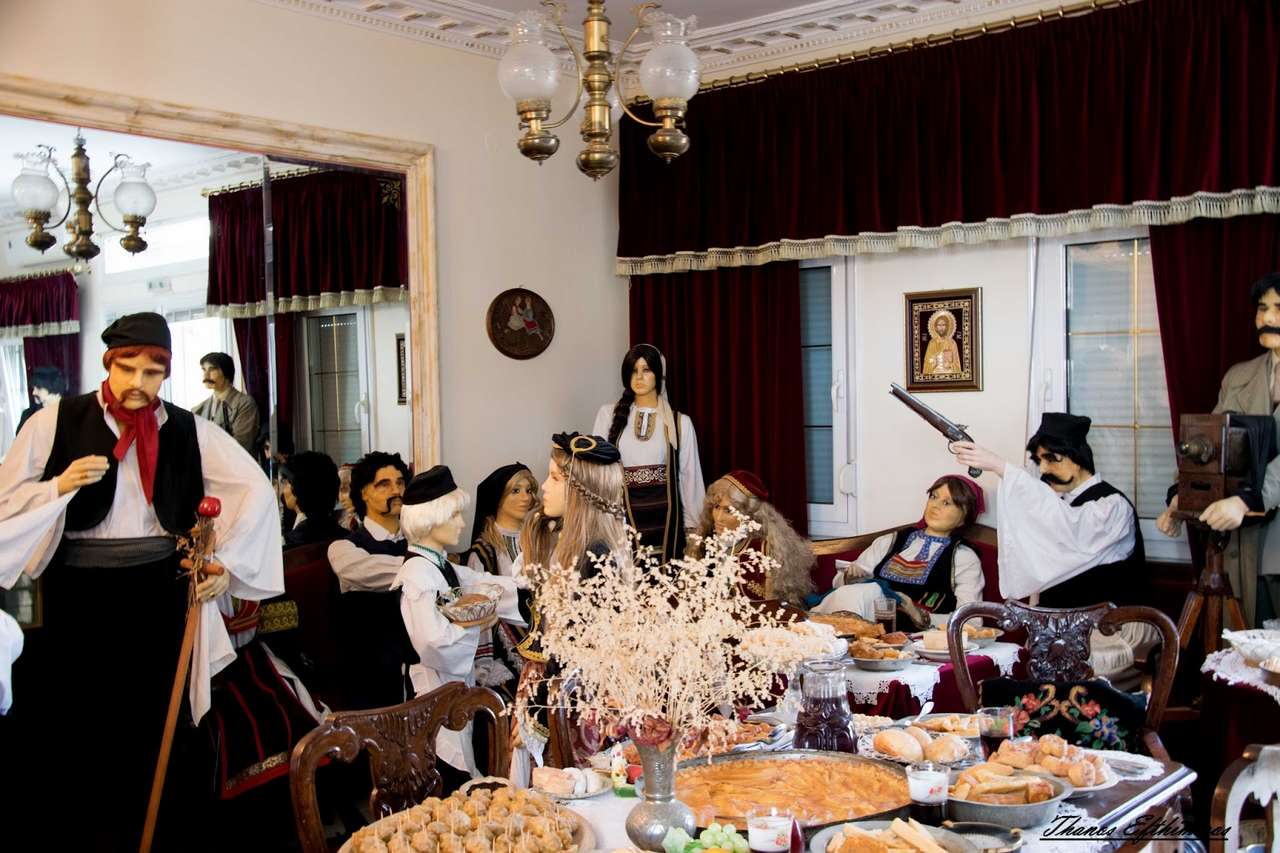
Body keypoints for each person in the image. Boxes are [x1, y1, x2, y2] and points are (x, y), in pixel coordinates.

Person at [0, 311, 281, 849]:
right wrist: (57, 486)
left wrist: (225, 564)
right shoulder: (56, 421)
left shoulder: (189, 429)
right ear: (108, 365)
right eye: (127, 369)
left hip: (159, 592)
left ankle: (161, 834)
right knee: (81, 720)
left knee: (158, 722)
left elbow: (256, 493)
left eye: (151, 372)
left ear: (165, 373)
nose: (137, 383)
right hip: (77, 594)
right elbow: (5, 501)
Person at [1156, 271, 1280, 626]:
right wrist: (1181, 498)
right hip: (1242, 544)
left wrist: (1246, 500)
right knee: (1239, 645)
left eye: (1278, 308)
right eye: (1262, 308)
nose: (1268, 318)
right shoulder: (1239, 377)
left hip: (1265, 529)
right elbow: (1210, 446)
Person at [393, 465, 523, 782]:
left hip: (451, 691)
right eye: (453, 515)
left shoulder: (439, 565)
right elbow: (433, 644)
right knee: (442, 774)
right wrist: (478, 625)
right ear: (429, 518)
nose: (462, 523)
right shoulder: (418, 574)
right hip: (430, 693)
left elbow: (481, 583)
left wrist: (533, 589)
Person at [513, 432, 629, 778]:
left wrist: (535, 715)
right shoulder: (568, 545)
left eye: (555, 478)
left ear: (580, 491)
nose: (543, 487)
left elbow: (573, 655)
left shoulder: (596, 556)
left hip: (570, 705)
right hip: (550, 691)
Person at [953, 413, 1144, 608]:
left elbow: (1071, 528)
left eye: (1051, 459)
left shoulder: (1113, 507)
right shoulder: (1061, 503)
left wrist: (1000, 466)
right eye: (1039, 460)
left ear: (1077, 459)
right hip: (1057, 620)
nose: (1043, 469)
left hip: (1108, 621)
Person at [815, 475, 985, 626]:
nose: (935, 506)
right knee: (863, 591)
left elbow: (972, 620)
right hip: (861, 614)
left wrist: (920, 615)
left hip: (911, 634)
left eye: (946, 503)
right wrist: (849, 577)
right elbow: (840, 586)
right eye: (933, 497)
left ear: (964, 517)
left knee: (863, 594)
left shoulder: (963, 558)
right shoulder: (891, 541)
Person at [593, 344, 705, 565]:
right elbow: (596, 473)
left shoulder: (680, 423)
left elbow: (689, 477)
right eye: (633, 370)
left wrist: (694, 531)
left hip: (667, 521)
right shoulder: (608, 415)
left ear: (659, 374)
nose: (639, 377)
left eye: (646, 370)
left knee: (666, 575)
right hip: (621, 517)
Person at [327, 450, 415, 709]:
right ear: (364, 492)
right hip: (369, 685)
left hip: (418, 676)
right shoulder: (344, 548)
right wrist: (428, 565)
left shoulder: (416, 543)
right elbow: (369, 572)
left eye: (400, 482)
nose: (396, 490)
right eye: (384, 484)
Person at [687, 470, 814, 608]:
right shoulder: (705, 543)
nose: (718, 518)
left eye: (728, 510)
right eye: (716, 507)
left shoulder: (764, 551)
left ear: (749, 515)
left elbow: (770, 607)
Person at [464, 463, 540, 692]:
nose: (525, 497)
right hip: (505, 656)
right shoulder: (484, 552)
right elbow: (479, 611)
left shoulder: (540, 540)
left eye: (529, 490)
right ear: (498, 498)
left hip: (543, 644)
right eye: (515, 491)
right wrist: (486, 666)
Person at [192, 351, 260, 454]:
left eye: (212, 369)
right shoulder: (198, 410)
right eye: (204, 370)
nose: (206, 375)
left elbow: (239, 447)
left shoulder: (245, 404)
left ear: (226, 372)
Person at [281, 451, 346, 548]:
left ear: (297, 490)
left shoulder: (285, 545)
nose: (283, 490)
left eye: (286, 483)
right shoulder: (351, 540)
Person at [15, 364, 67, 436]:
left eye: (38, 388)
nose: (33, 392)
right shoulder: (28, 414)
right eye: (33, 388)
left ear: (53, 388)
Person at [922, 310, 962, 376]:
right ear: (935, 327)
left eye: (943, 325)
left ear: (947, 327)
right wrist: (934, 361)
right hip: (934, 374)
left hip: (949, 374)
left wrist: (950, 365)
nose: (941, 328)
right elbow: (927, 363)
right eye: (939, 325)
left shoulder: (952, 343)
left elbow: (956, 364)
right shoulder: (932, 343)